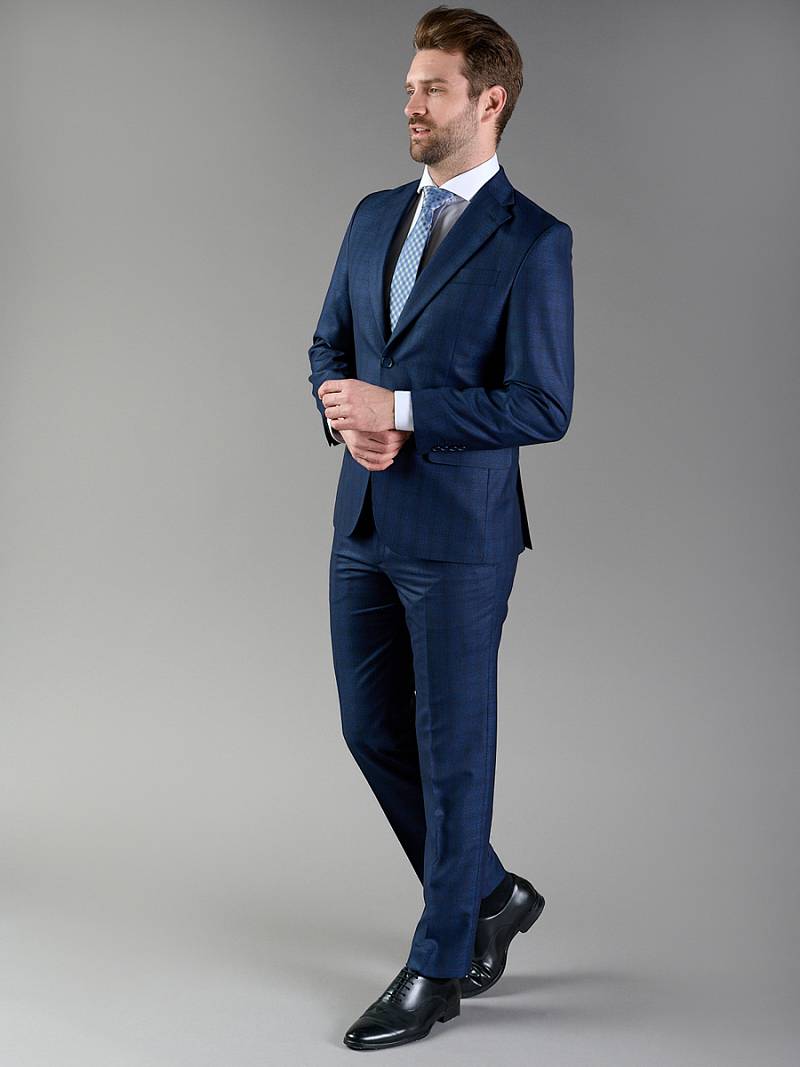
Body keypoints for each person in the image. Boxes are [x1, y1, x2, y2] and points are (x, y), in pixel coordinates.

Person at [307, 5, 574, 1050]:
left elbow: (542, 402)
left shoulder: (533, 240)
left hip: (462, 536)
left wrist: (404, 410)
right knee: (369, 726)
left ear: (488, 100)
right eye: (409, 86)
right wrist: (346, 413)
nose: (410, 102)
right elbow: (330, 344)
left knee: (451, 749)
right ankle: (490, 893)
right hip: (365, 517)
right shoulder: (374, 214)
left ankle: (438, 963)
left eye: (432, 88)